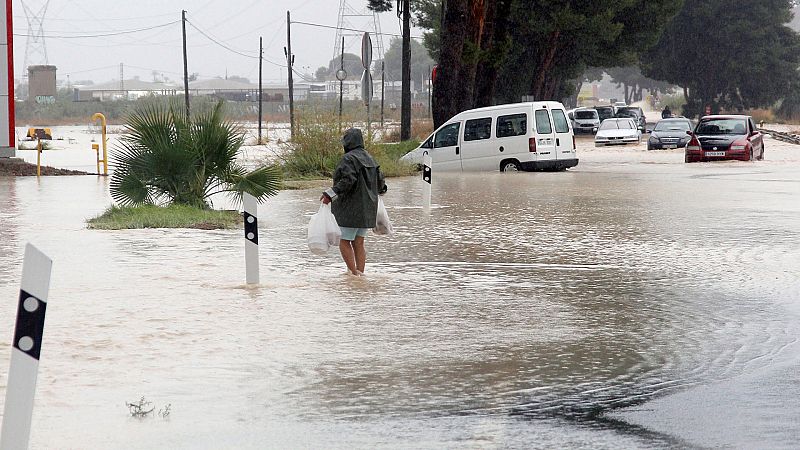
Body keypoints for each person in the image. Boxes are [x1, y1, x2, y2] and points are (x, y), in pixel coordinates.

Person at [321, 128, 387, 276]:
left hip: (350, 210)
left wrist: (330, 194)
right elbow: (381, 184)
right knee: (359, 243)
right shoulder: (370, 158)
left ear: (347, 142)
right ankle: (360, 274)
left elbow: (347, 180)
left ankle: (354, 275)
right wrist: (381, 191)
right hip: (367, 210)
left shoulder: (348, 159)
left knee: (344, 241)